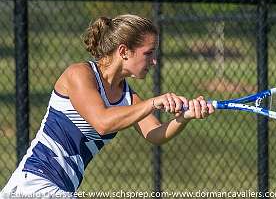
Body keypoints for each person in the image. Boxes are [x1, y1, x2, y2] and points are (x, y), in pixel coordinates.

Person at [1, 14, 214, 198]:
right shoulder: (79, 74)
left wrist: (184, 117)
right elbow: (102, 122)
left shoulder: (128, 97)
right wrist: (154, 102)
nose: (154, 61)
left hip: (59, 189)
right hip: (34, 185)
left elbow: (155, 134)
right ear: (124, 51)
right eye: (148, 53)